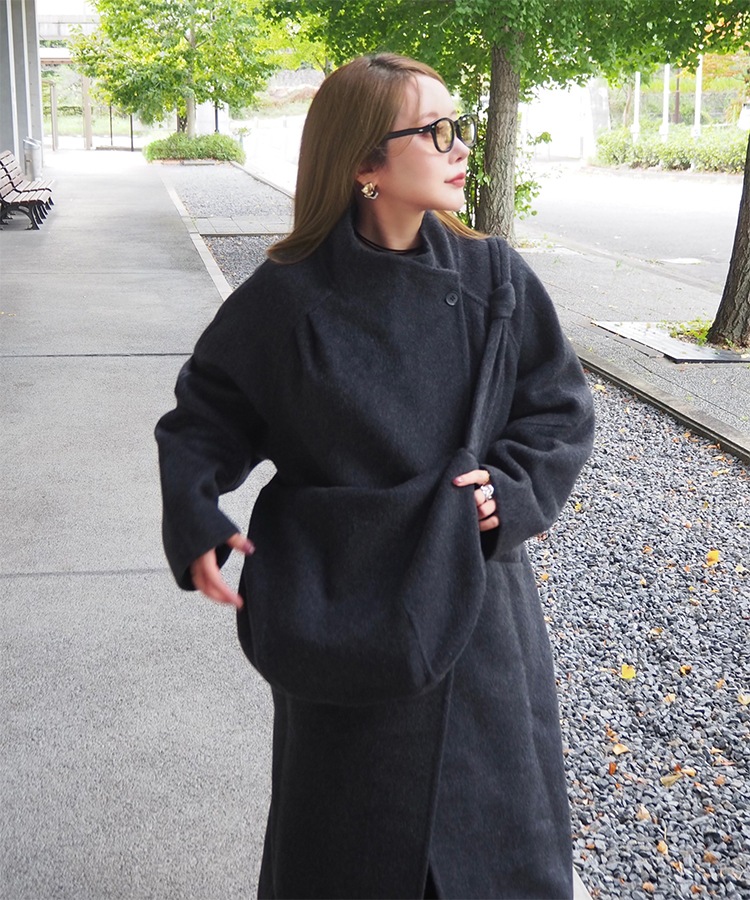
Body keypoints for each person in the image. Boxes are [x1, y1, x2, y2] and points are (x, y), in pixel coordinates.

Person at [155, 53, 595, 900]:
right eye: (435, 131)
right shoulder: (289, 298)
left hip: (475, 603)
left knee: (494, 846)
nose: (460, 146)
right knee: (349, 848)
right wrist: (195, 512)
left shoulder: (494, 277)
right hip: (343, 610)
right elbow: (204, 417)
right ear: (365, 162)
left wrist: (511, 490)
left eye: (459, 126)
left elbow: (558, 407)